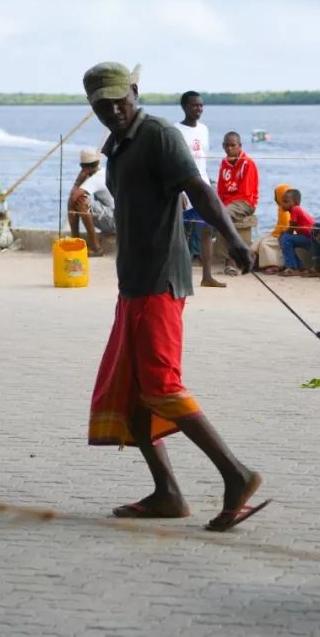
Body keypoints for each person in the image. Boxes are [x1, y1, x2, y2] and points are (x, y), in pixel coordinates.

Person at [82, 62, 266, 529]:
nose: (114, 111)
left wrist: (234, 242)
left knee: (160, 384)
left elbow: (199, 191)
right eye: (103, 106)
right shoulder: (115, 146)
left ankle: (236, 474)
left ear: (136, 93)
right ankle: (168, 492)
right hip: (133, 283)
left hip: (161, 281)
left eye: (120, 101)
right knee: (132, 390)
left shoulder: (161, 135)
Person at [175, 91, 213, 272]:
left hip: (202, 186)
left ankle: (207, 275)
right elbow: (171, 162)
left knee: (206, 230)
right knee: (181, 232)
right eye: (194, 105)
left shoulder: (204, 129)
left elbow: (203, 161)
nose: (198, 109)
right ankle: (179, 272)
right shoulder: (175, 131)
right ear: (184, 107)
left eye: (201, 105)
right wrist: (179, 191)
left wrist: (209, 186)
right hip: (184, 188)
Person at [216, 131, 259, 276]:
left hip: (245, 201)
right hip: (228, 202)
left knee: (224, 215)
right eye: (226, 145)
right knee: (212, 213)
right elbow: (221, 189)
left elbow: (245, 193)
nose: (229, 149)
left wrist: (224, 206)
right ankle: (226, 258)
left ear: (239, 146)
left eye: (233, 145)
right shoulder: (224, 162)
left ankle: (232, 260)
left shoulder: (248, 163)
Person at [68, 148, 115, 257]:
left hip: (113, 221)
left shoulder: (95, 179)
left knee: (81, 202)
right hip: (118, 219)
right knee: (80, 200)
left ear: (84, 167)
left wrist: (78, 181)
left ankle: (95, 247)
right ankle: (77, 242)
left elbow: (73, 197)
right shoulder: (103, 172)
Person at [252, 183, 292, 273]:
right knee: (257, 242)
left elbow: (286, 228)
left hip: (284, 234)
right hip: (277, 232)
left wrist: (277, 235)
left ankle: (274, 265)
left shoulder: (285, 211)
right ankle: (256, 262)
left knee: (265, 244)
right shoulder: (281, 208)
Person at [277, 188, 317, 277]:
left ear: (295, 202)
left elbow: (291, 229)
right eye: (282, 201)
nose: (282, 204)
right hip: (308, 237)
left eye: (286, 201)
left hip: (311, 239)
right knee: (286, 239)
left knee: (285, 238)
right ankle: (298, 266)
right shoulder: (295, 210)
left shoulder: (295, 209)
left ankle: (292, 267)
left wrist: (282, 235)